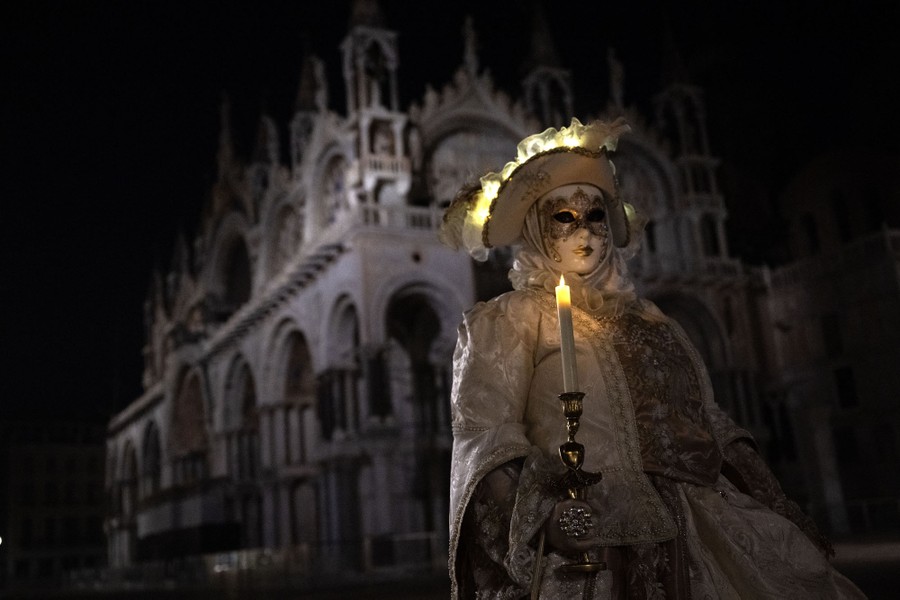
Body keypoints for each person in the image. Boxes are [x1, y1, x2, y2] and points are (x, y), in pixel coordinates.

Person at [439, 118, 865, 599]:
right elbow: (487, 433)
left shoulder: (654, 320)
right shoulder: (509, 320)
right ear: (537, 228)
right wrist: (541, 515)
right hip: (592, 538)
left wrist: (771, 499)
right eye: (563, 217)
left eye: (596, 215)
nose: (584, 230)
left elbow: (709, 421)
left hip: (707, 526)